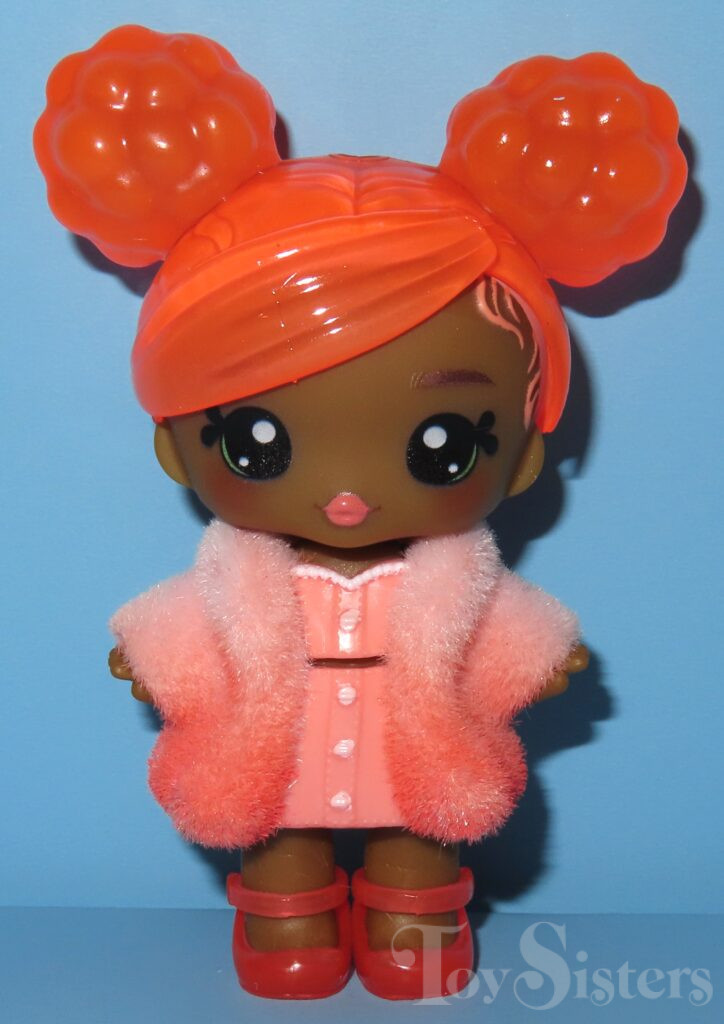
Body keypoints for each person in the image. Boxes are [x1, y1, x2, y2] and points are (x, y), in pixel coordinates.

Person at [34, 25, 686, 1000]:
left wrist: (540, 656)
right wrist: (159, 656)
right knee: (276, 832)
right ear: (174, 445)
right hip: (280, 744)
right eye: (257, 440)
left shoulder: (451, 579)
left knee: (420, 828)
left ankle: (414, 918)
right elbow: (200, 621)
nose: (347, 493)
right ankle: (285, 915)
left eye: (441, 445)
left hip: (409, 744)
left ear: (521, 459)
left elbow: (493, 624)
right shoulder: (244, 576)